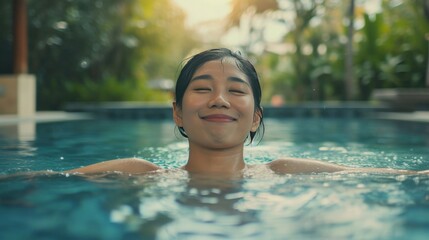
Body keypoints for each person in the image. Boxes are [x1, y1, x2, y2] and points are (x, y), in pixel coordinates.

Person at [67, 48, 429, 176]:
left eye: (236, 90)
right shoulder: (140, 172)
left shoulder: (283, 171)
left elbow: (384, 173)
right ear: (177, 113)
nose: (220, 100)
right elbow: (39, 179)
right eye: (203, 88)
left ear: (256, 116)